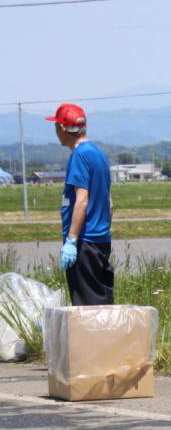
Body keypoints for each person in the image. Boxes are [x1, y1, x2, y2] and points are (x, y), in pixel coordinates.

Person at [48, 103, 113, 305]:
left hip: (85, 243)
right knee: (102, 302)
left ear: (62, 129)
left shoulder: (79, 156)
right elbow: (110, 203)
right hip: (101, 240)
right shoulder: (98, 154)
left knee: (87, 309)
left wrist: (72, 241)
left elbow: (81, 200)